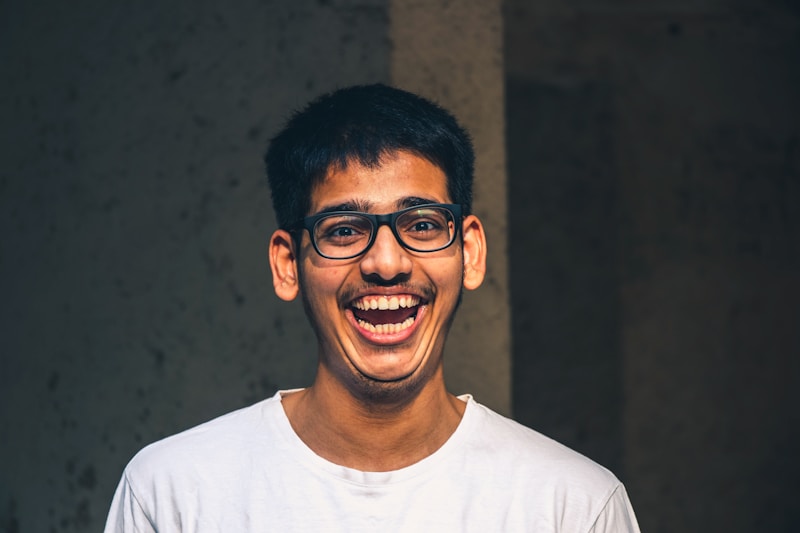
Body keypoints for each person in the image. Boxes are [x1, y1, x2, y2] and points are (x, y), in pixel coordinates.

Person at [104, 84, 641, 532]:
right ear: (288, 264)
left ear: (470, 253)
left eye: (423, 224)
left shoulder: (573, 507)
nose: (387, 262)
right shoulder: (173, 492)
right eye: (343, 230)